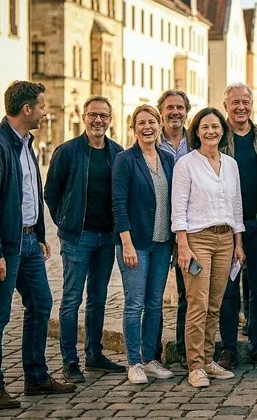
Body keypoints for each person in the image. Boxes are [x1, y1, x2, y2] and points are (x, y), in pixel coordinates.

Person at [0, 81, 75, 409]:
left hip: (29, 242)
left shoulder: (25, 143)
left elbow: (31, 192)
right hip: (5, 246)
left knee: (41, 304)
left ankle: (36, 377)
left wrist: (40, 235)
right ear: (27, 109)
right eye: (42, 107)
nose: (45, 112)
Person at [44, 95, 125, 383]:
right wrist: (65, 222)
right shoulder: (67, 152)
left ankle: (95, 354)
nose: (98, 120)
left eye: (103, 115)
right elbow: (51, 193)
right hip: (78, 238)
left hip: (106, 238)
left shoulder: (117, 153)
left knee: (98, 298)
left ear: (110, 119)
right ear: (83, 116)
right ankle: (69, 360)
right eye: (92, 115)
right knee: (71, 299)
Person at [171, 107, 244, 387]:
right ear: (197, 132)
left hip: (225, 239)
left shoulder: (231, 164)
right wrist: (183, 246)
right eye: (205, 127)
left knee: (215, 304)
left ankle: (209, 359)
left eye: (215, 126)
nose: (211, 131)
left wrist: (238, 242)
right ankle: (195, 366)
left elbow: (236, 205)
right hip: (197, 239)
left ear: (222, 131)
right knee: (197, 304)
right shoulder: (186, 164)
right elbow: (178, 209)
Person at [112, 105, 176, 384]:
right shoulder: (125, 160)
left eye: (152, 122)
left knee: (154, 304)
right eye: (141, 123)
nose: (147, 127)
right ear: (133, 128)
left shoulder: (167, 159)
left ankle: (150, 359)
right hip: (135, 242)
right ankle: (134, 362)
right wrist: (125, 242)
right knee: (134, 303)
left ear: (159, 125)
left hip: (162, 243)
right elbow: (118, 204)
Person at [218, 83, 257, 370]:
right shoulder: (218, 136)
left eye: (245, 102)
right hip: (227, 224)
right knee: (229, 289)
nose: (241, 107)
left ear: (253, 104)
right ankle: (228, 347)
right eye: (235, 102)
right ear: (226, 105)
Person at [155, 89, 192, 366]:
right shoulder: (150, 141)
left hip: (188, 228)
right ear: (161, 111)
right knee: (152, 294)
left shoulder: (197, 141)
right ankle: (151, 350)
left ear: (186, 111)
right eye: (169, 108)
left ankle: (183, 348)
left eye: (180, 107)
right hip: (156, 227)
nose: (175, 112)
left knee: (186, 292)